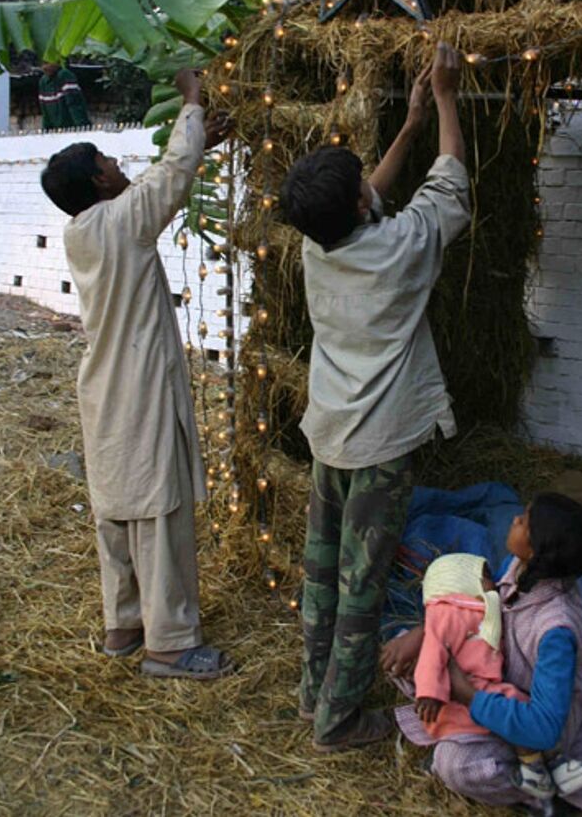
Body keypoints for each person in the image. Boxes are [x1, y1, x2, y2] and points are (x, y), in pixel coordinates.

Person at [280, 42, 471, 752]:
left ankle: (311, 695)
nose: (371, 186)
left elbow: (366, 194)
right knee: (363, 582)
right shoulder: (402, 248)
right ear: (358, 203)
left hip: (329, 430)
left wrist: (410, 123)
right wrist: (447, 97)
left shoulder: (315, 242)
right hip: (381, 443)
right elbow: (450, 189)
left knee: (323, 568)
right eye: (362, 184)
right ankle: (338, 722)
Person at [40, 69, 233, 679]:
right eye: (108, 159)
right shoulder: (121, 221)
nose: (119, 163)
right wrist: (193, 100)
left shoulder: (87, 228)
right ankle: (170, 644)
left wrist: (204, 135)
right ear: (99, 179)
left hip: (104, 389)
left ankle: (123, 624)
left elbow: (162, 178)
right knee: (157, 507)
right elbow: (167, 179)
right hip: (137, 388)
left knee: (116, 509)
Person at [381, 493, 582, 815]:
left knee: (456, 766)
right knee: (404, 657)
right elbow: (482, 607)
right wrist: (424, 634)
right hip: (491, 675)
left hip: (525, 718)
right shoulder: (520, 568)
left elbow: (544, 728)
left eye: (525, 522)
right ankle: (459, 719)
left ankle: (545, 790)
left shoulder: (555, 632)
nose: (515, 520)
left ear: (538, 549)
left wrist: (466, 693)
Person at [39, 61, 91, 130]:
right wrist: (45, 132)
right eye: (42, 64)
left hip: (72, 128)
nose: (44, 67)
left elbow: (74, 104)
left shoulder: (65, 75)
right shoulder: (43, 82)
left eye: (47, 63)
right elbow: (45, 113)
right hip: (56, 132)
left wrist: (82, 127)